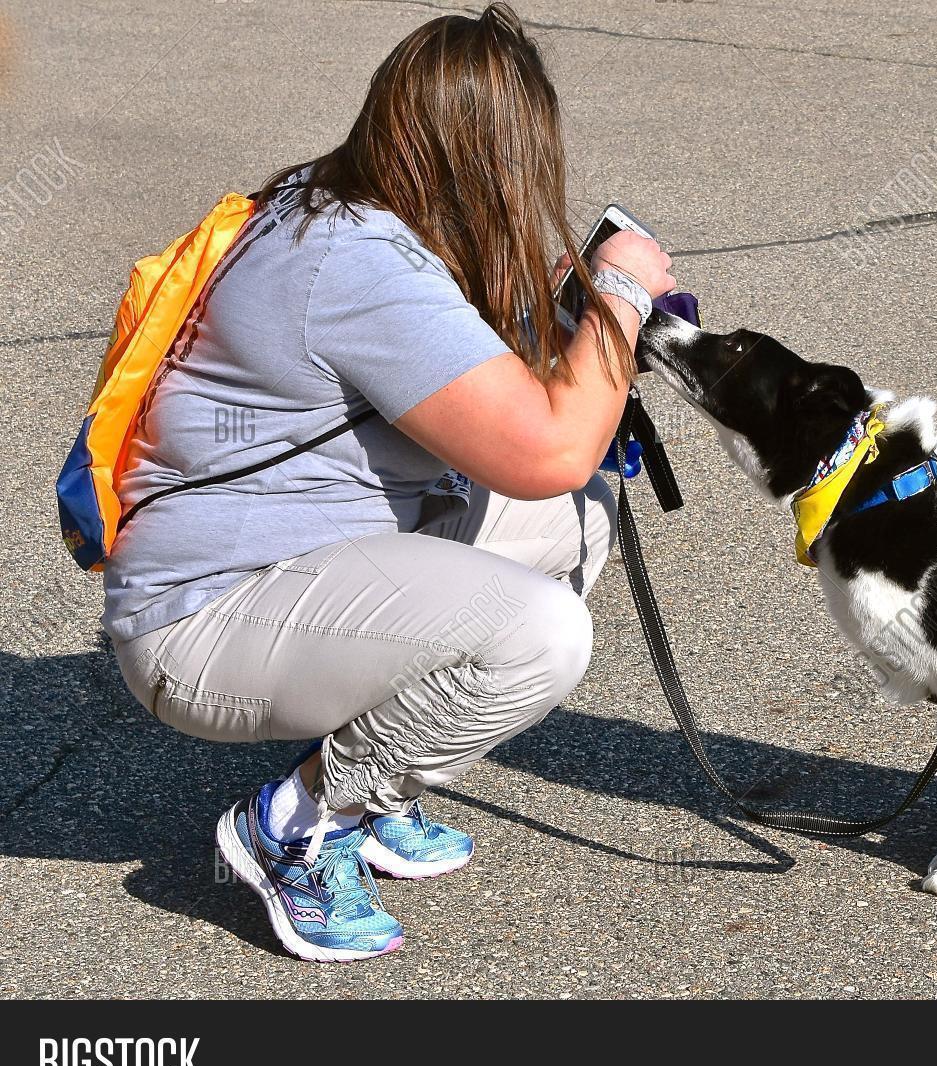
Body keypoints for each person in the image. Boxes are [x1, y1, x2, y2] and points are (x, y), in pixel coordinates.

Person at [105, 3, 675, 962]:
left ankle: (383, 782)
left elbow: (520, 431)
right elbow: (549, 446)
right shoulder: (360, 261)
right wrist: (619, 294)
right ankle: (298, 824)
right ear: (496, 156)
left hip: (296, 566)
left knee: (567, 523)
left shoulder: (345, 208)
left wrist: (566, 319)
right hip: (200, 622)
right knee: (538, 630)